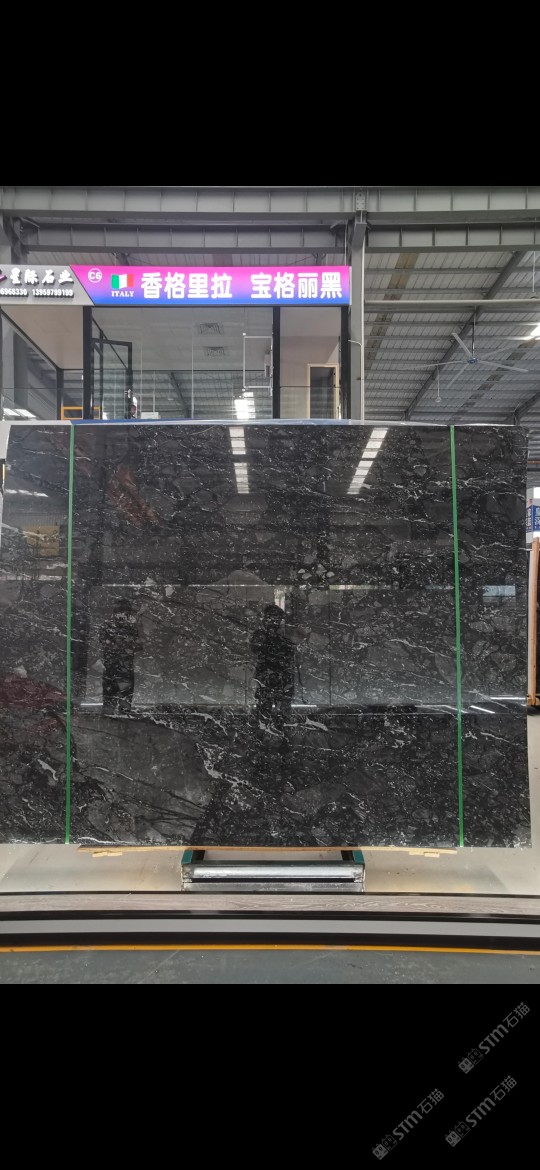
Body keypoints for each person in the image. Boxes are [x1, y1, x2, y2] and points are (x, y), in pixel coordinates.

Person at [250, 605, 295, 721]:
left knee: (282, 713)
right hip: (267, 678)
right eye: (273, 618)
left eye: (278, 619)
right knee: (265, 711)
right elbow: (257, 651)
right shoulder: (261, 636)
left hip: (281, 679)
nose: (276, 621)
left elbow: (289, 656)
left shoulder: (283, 639)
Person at [100, 599, 141, 715]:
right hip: (115, 668)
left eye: (126, 611)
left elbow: (138, 645)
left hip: (122, 669)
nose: (123, 614)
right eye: (122, 611)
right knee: (111, 704)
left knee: (122, 705)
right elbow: (105, 643)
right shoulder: (108, 625)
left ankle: (118, 718)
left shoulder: (131, 626)